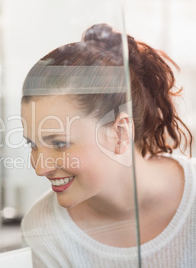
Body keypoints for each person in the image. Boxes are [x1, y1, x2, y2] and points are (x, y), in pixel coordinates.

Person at [20, 23, 196, 267]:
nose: (40, 168)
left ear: (120, 133)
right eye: (32, 144)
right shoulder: (44, 230)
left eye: (60, 143)